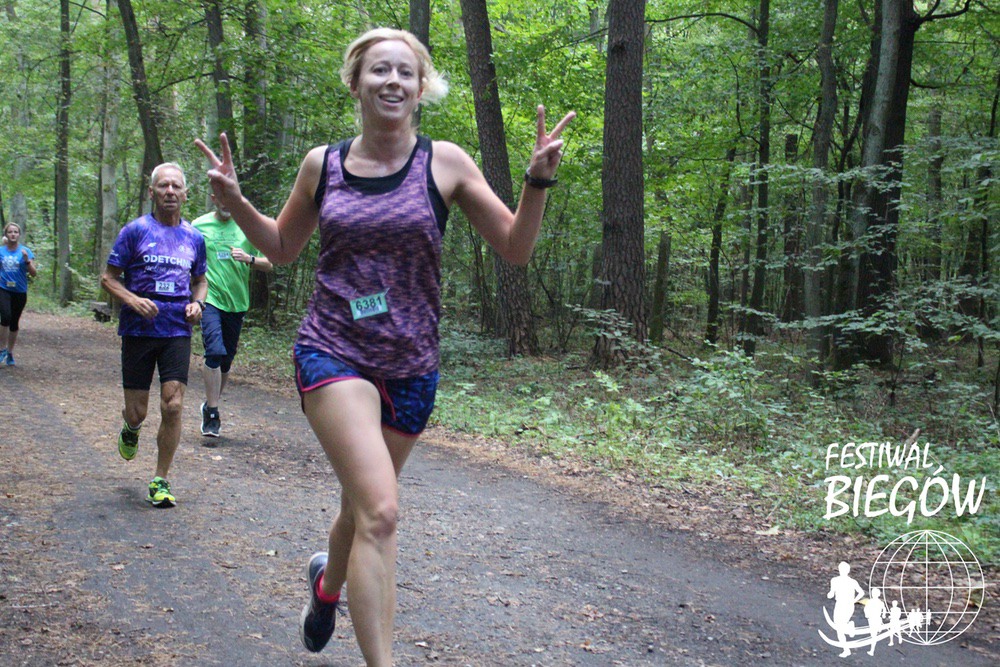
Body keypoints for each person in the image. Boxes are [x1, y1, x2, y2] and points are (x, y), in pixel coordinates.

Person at [196, 27, 574, 665]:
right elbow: (282, 248)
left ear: (421, 88)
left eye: (405, 71)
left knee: (362, 505)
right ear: (355, 83)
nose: (392, 81)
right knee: (381, 511)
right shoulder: (322, 165)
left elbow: (515, 248)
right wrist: (237, 202)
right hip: (333, 349)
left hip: (411, 365)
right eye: (378, 70)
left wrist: (536, 183)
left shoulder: (445, 163)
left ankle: (328, 585)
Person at [100, 162, 208, 508]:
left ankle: (160, 479)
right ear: (152, 192)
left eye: (176, 186)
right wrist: (133, 300)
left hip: (177, 329)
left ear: (185, 194)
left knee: (173, 405)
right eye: (163, 186)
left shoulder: (194, 237)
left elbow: (200, 281)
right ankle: (130, 428)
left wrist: (198, 304)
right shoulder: (135, 231)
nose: (170, 192)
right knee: (138, 412)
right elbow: (108, 278)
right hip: (139, 329)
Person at [192, 194, 273, 438]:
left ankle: (210, 403)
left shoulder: (247, 226)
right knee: (214, 351)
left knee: (226, 360)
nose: (226, 203)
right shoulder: (199, 226)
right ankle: (212, 414)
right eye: (221, 198)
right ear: (214, 198)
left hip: (237, 302)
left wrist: (249, 258)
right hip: (210, 299)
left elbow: (269, 263)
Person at [0, 222, 38, 366]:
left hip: (20, 291)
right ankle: (1, 350)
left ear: (19, 235)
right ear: (6, 234)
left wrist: (27, 261)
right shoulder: (1, 251)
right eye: (10, 232)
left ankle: (10, 353)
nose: (13, 234)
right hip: (3, 288)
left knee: (14, 322)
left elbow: (33, 273)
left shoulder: (25, 251)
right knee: (5, 317)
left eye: (16, 232)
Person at [827, 561, 865, 657]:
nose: (842, 571)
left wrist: (854, 600)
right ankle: (846, 646)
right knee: (838, 627)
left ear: (848, 571)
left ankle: (849, 629)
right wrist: (830, 594)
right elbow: (832, 592)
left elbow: (861, 592)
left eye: (844, 569)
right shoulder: (834, 580)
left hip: (848, 605)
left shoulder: (852, 582)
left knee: (840, 628)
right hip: (839, 604)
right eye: (841, 569)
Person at [863, 587, 887, 655]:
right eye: (873, 593)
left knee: (873, 635)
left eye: (875, 593)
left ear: (878, 594)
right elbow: (866, 609)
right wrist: (866, 614)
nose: (874, 594)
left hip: (875, 618)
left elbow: (884, 609)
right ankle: (879, 627)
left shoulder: (879, 602)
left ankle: (872, 650)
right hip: (872, 618)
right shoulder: (871, 601)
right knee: (873, 634)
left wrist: (884, 614)